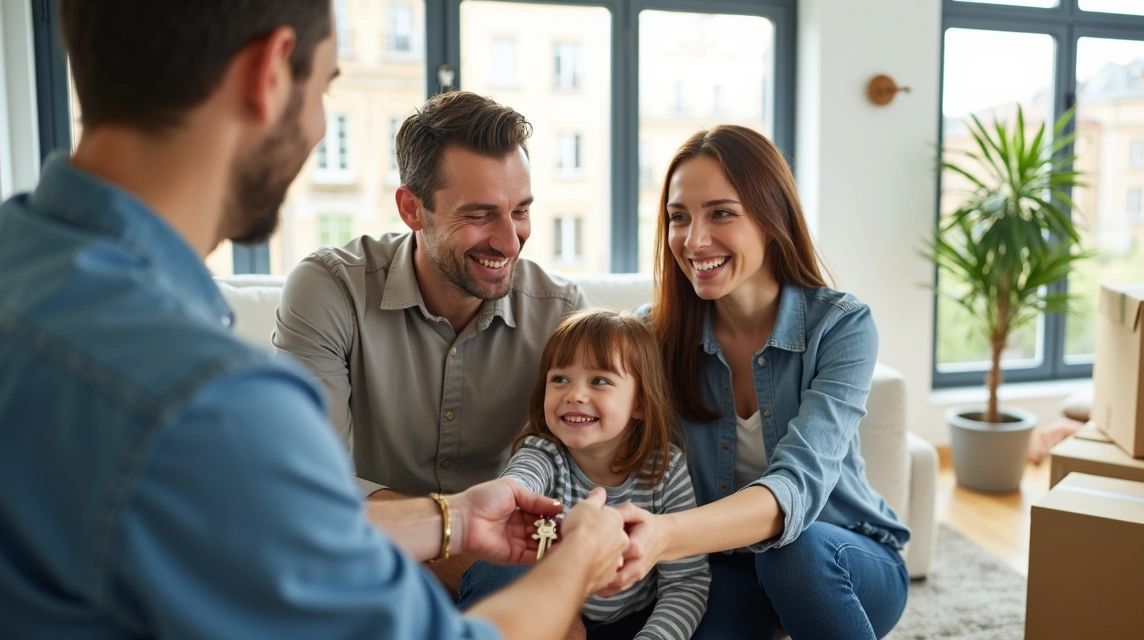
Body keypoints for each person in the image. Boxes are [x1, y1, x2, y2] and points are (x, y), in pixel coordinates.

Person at [0, 2, 629, 638]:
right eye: (326, 86)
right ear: (270, 74)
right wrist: (579, 557)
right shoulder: (210, 401)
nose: (322, 126)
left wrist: (453, 521)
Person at [273, 89, 588, 590]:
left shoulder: (562, 314)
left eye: (521, 210)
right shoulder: (330, 290)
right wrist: (450, 537)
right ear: (412, 209)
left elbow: (583, 479)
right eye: (480, 214)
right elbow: (303, 486)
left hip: (501, 566)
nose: (510, 242)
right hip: (367, 561)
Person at [616, 125, 912, 639]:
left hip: (842, 559)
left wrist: (666, 535)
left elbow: (798, 484)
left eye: (721, 213)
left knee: (790, 553)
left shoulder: (841, 326)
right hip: (723, 567)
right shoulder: (651, 335)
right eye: (678, 217)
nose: (694, 239)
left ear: (772, 217)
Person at [459, 309, 711, 640]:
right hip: (545, 612)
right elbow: (519, 482)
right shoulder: (543, 452)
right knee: (496, 570)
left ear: (639, 404)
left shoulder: (665, 470)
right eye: (560, 378)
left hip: (635, 622)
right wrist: (506, 494)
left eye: (599, 381)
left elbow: (685, 582)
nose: (575, 394)